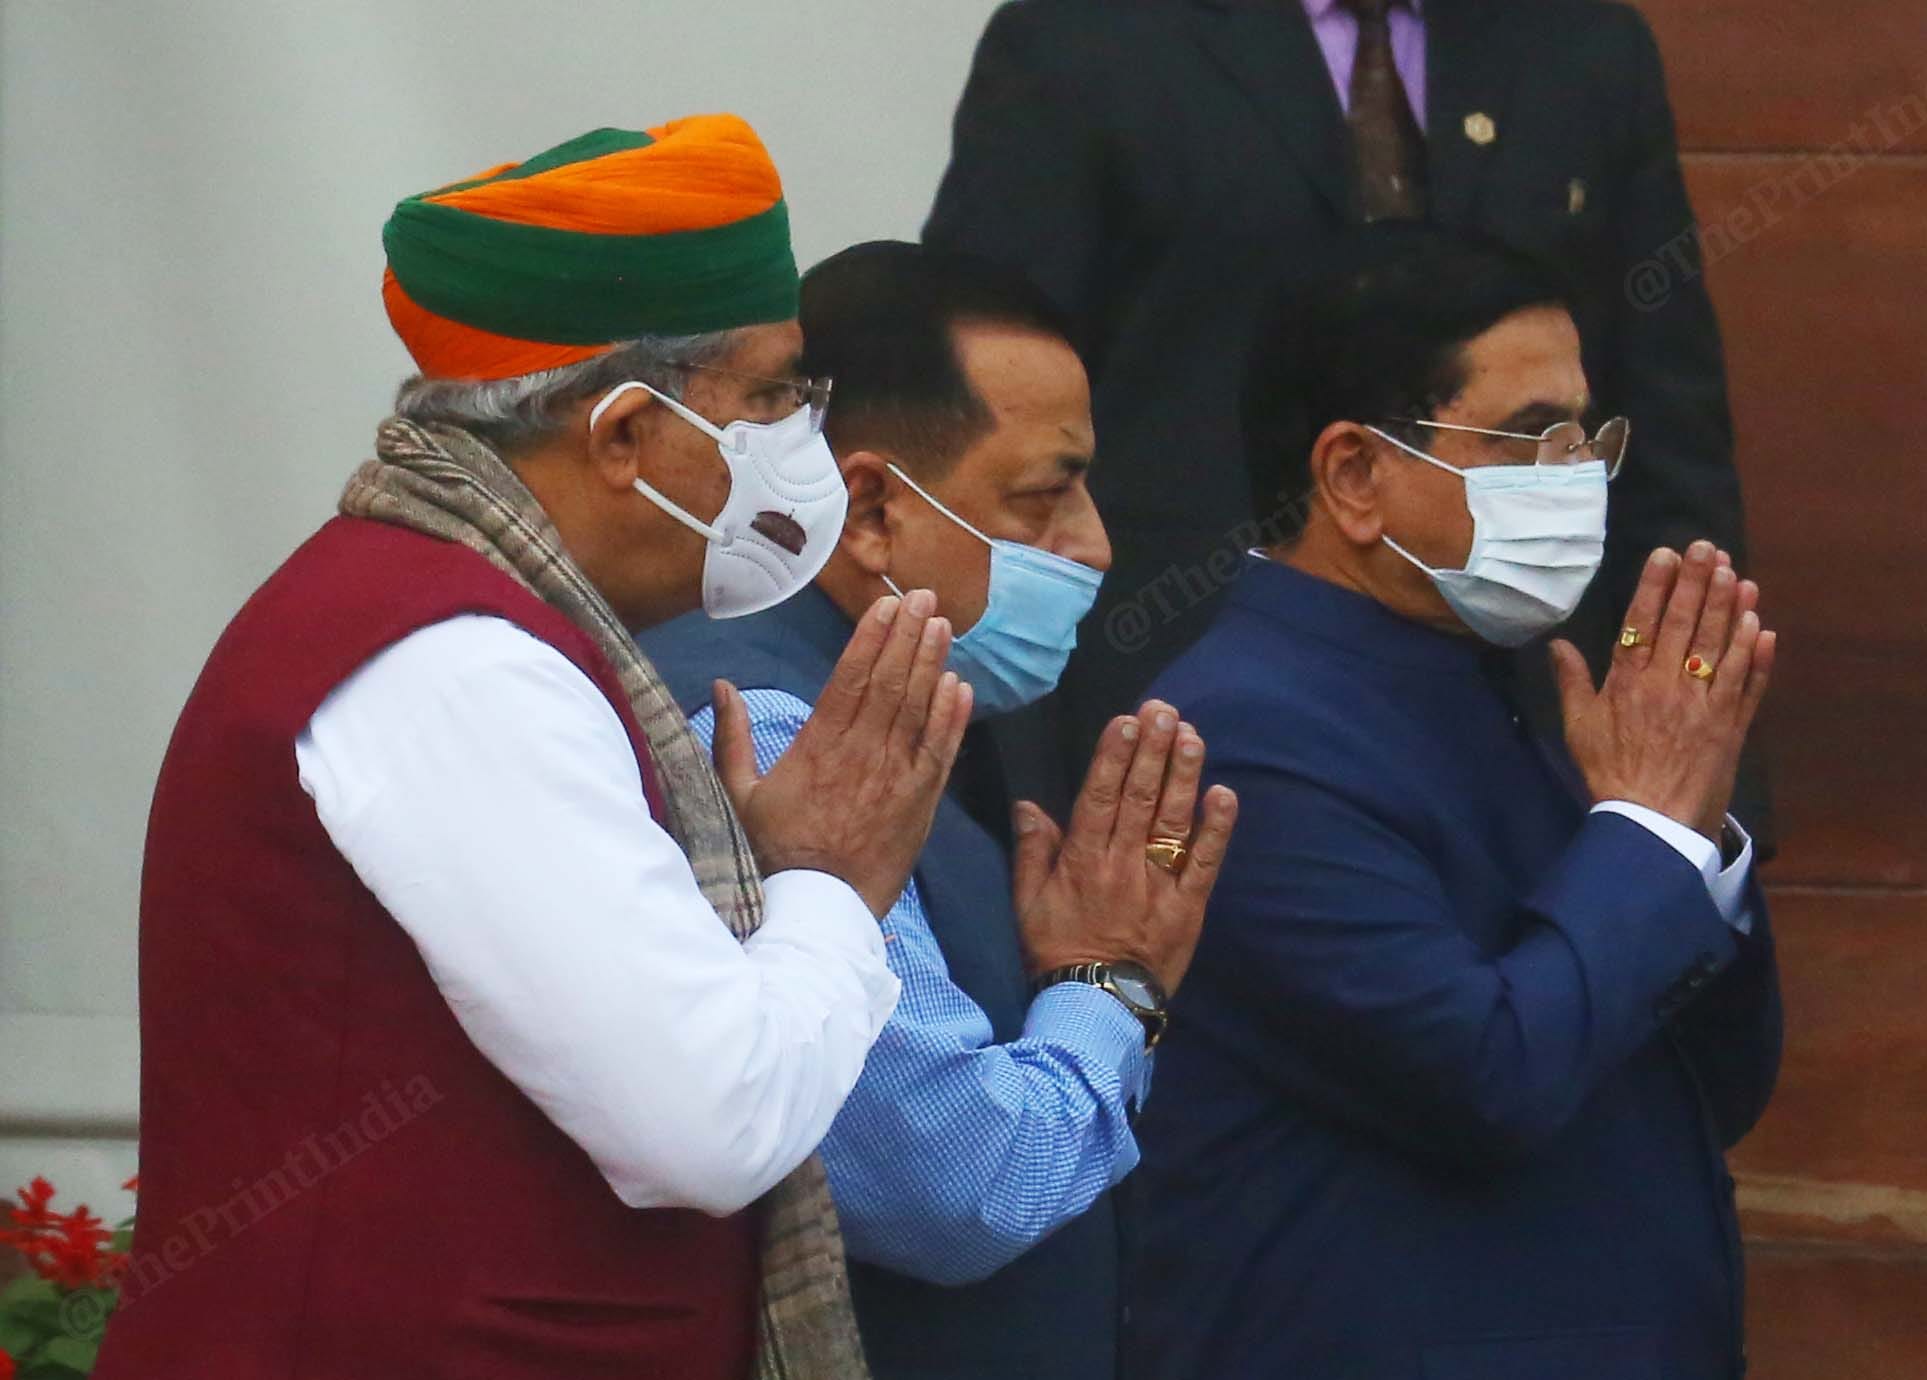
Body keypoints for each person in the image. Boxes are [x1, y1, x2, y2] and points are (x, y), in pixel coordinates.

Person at [97, 116, 970, 1380]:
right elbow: (708, 1123)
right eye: (776, 394)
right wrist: (831, 886)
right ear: (624, 438)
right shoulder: (455, 663)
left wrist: (767, 887)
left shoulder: (464, 620)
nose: (805, 440)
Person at [1128, 225, 1783, 1380]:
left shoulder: (1502, 682)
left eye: (1590, 437)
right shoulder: (1248, 733)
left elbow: (1714, 1087)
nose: (1576, 478)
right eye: (1532, 437)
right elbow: (1485, 1078)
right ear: (1353, 476)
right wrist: (1647, 834)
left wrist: (1695, 849)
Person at [923, 0, 1763, 841]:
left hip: (1537, 729)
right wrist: (1011, 782)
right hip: (1179, 716)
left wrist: (1711, 787)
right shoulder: (1084, 40)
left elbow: (1667, 428)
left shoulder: (1580, 44)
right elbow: (978, 422)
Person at [641, 241, 1238, 1380]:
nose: (1095, 543)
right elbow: (956, 1187)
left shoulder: (906, 697)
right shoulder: (768, 727)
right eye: (1044, 494)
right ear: (868, 506)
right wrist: (1110, 981)